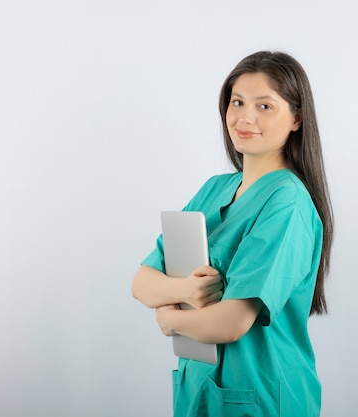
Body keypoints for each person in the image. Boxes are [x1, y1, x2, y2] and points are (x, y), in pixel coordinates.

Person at [131, 50, 334, 417]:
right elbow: (142, 281)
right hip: (201, 391)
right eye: (237, 102)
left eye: (265, 106)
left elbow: (232, 321)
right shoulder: (213, 189)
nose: (245, 117)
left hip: (262, 396)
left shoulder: (287, 203)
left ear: (297, 118)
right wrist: (185, 290)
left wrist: (170, 318)